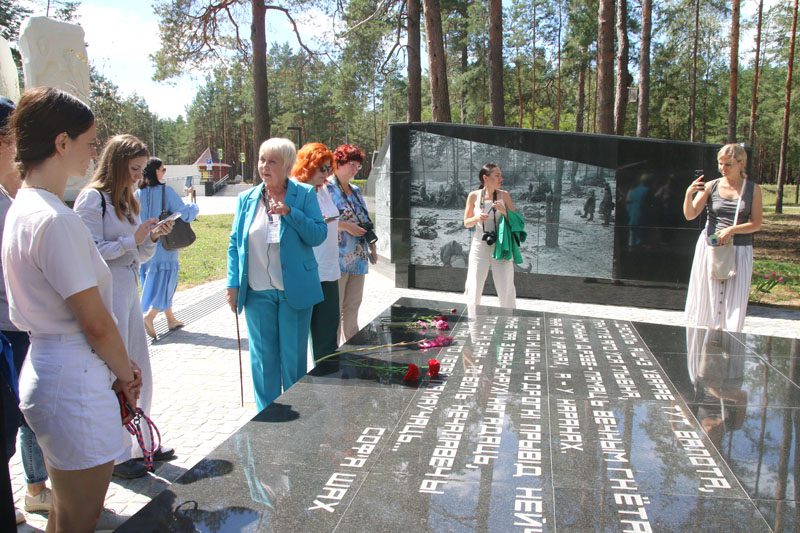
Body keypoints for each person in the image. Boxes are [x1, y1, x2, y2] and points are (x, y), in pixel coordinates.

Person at [3, 87, 141, 532]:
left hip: (52, 370)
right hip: (74, 380)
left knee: (66, 516)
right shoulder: (55, 219)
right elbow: (96, 322)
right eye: (89, 141)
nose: (94, 152)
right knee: (81, 518)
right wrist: (126, 374)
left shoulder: (24, 208)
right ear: (61, 143)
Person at [74, 135, 176, 480]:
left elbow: (139, 254)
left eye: (140, 170)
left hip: (129, 287)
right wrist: (130, 240)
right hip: (106, 293)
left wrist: (152, 238)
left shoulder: (128, 200)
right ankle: (118, 454)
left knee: (139, 367)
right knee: (117, 371)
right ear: (116, 164)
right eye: (133, 169)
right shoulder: (92, 199)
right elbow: (87, 253)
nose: (138, 176)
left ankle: (142, 442)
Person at [226, 138, 326, 410]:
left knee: (293, 360)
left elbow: (318, 234)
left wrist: (290, 213)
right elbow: (235, 243)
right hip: (257, 292)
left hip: (293, 291)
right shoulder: (246, 199)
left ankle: (296, 418)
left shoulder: (304, 194)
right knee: (263, 360)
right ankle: (266, 419)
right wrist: (233, 284)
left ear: (287, 166)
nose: (264, 166)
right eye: (261, 159)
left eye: (272, 161)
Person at [0, 96, 53, 526]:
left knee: (21, 420)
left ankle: (33, 490)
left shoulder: (14, 199)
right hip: (8, 332)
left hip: (19, 330)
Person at [683, 143, 763, 332]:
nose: (723, 168)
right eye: (720, 164)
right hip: (711, 247)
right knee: (706, 299)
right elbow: (690, 214)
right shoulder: (711, 186)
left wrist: (732, 230)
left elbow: (756, 223)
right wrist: (688, 194)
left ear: (741, 163)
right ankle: (702, 343)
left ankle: (730, 345)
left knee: (734, 301)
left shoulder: (753, 189)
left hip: (739, 249)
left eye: (728, 164)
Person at [137, 157, 199, 338]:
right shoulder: (166, 191)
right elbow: (184, 213)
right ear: (155, 171)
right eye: (163, 169)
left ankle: (171, 319)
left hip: (144, 245)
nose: (164, 173)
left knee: (155, 281)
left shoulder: (137, 194)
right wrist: (193, 206)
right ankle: (150, 317)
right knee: (166, 282)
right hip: (165, 245)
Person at [290, 143, 340, 361]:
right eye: (322, 168)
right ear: (308, 165)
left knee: (328, 334)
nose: (327, 174)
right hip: (307, 272)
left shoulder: (324, 189)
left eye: (329, 168)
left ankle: (328, 378)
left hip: (329, 270)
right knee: (301, 335)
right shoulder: (294, 190)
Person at [327, 144, 375, 344]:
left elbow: (364, 218)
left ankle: (353, 348)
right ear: (338, 163)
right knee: (335, 309)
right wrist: (345, 226)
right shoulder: (325, 188)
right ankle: (333, 353)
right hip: (337, 257)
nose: (355, 169)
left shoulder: (355, 190)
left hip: (358, 256)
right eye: (351, 164)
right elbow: (320, 221)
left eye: (358, 166)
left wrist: (373, 245)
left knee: (353, 305)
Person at [463, 163, 516, 311]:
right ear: (485, 178)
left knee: (506, 285)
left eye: (501, 175)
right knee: (474, 284)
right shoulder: (473, 196)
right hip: (480, 245)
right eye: (497, 175)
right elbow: (466, 223)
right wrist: (477, 218)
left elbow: (516, 222)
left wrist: (505, 211)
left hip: (501, 244)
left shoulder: (504, 195)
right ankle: (471, 320)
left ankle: (509, 319)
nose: (501, 178)